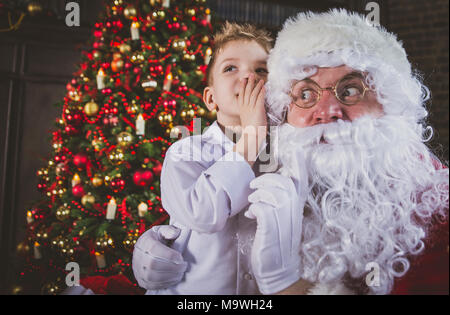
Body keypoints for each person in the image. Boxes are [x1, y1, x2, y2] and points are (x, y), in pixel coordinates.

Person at [133, 9, 449, 295]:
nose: (326, 111)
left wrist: (283, 283)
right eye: (306, 93)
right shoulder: (194, 151)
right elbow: (196, 214)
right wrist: (158, 243)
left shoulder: (430, 199)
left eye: (350, 90)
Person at [132, 22, 287, 295]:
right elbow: (204, 214)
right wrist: (252, 137)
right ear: (211, 98)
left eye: (261, 70)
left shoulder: (287, 154)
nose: (249, 78)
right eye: (231, 68)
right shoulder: (185, 152)